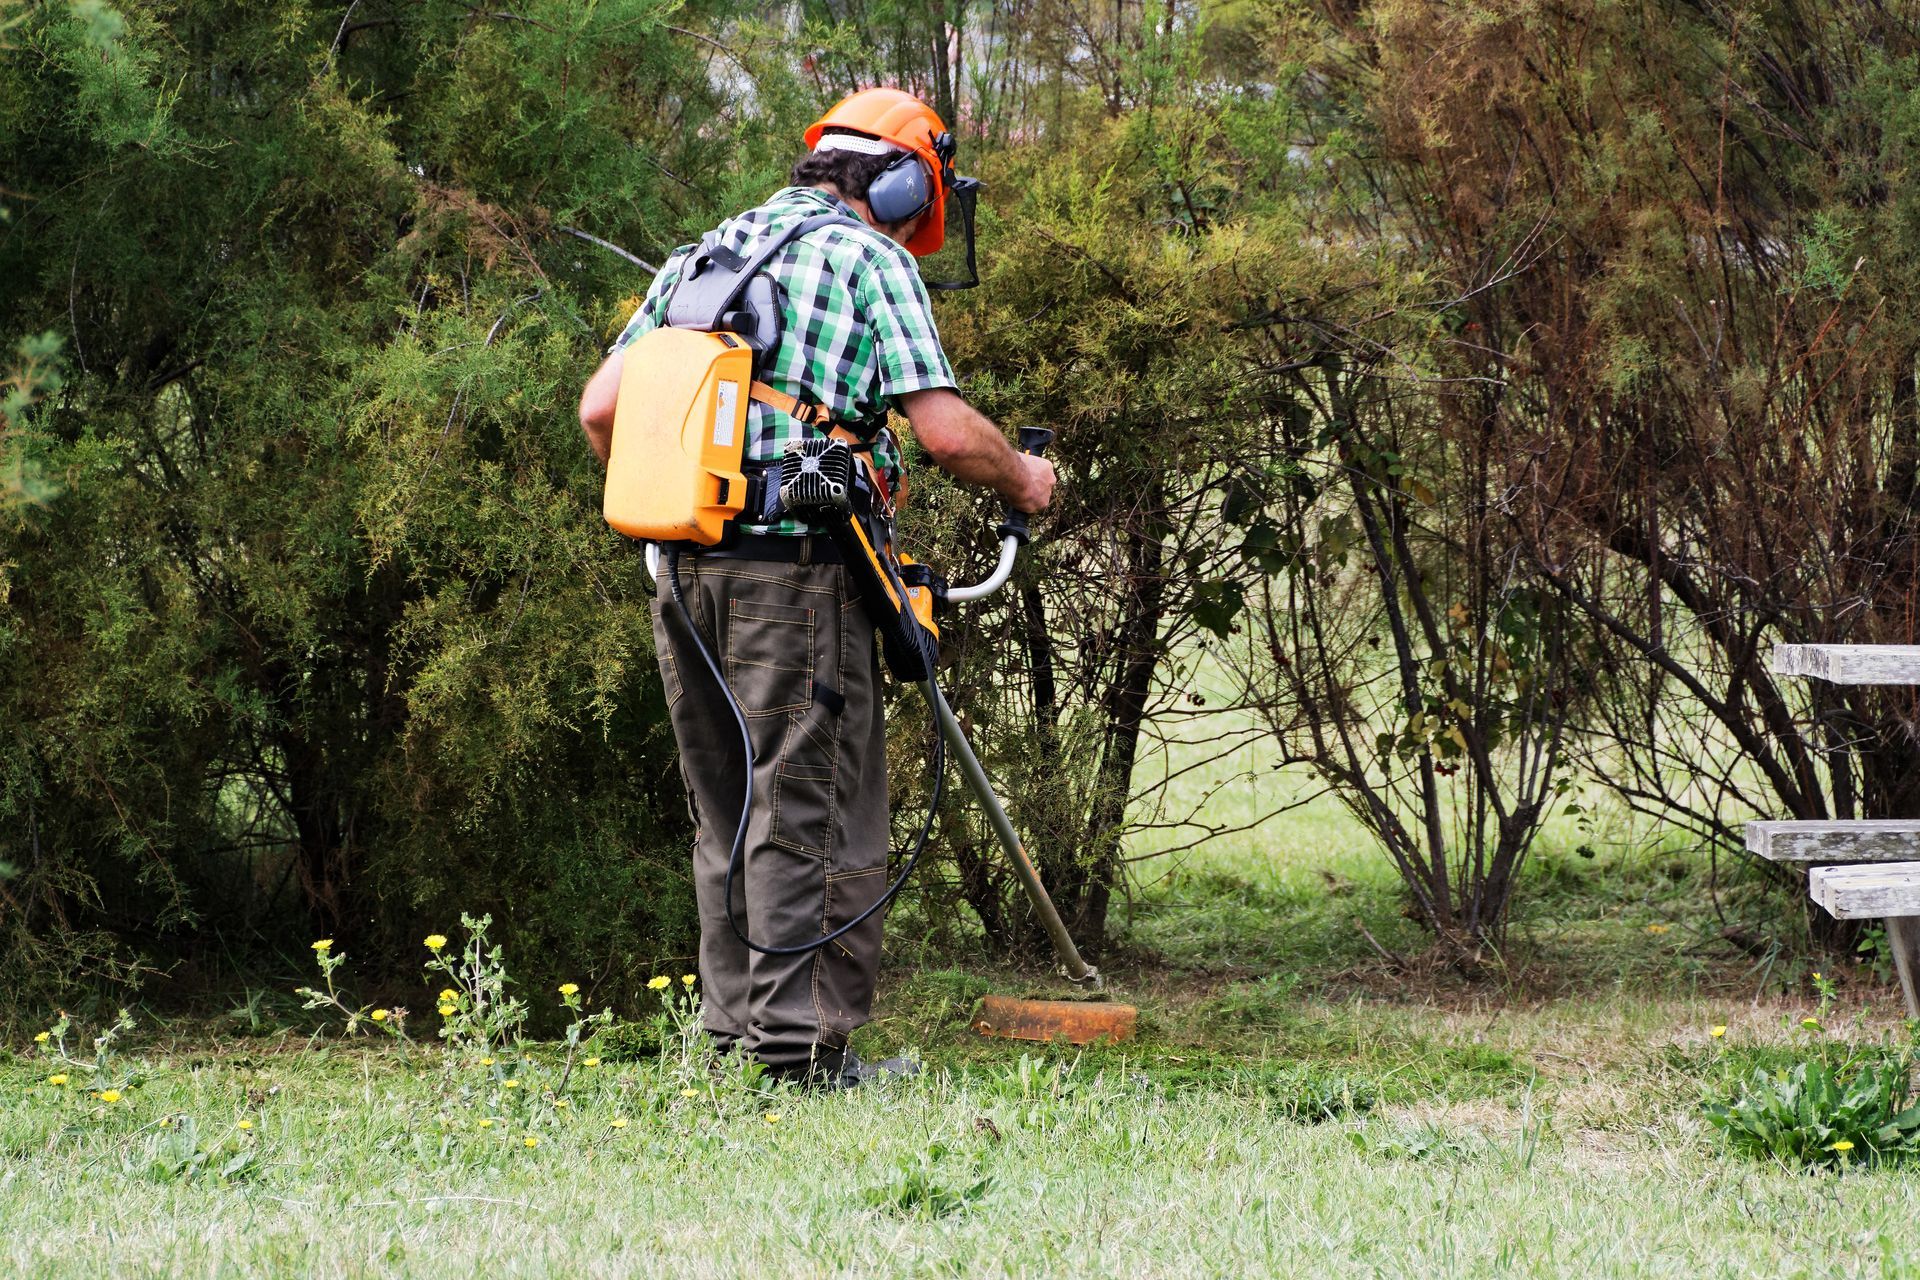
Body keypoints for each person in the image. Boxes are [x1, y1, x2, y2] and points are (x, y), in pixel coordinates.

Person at [576, 87, 1055, 1088]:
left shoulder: (706, 252)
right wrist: (1026, 478)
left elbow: (600, 409)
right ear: (895, 180)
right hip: (793, 579)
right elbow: (946, 432)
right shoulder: (865, 259)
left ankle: (731, 1040)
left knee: (729, 811)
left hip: (685, 570)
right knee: (810, 809)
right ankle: (798, 1057)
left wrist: (691, 501)